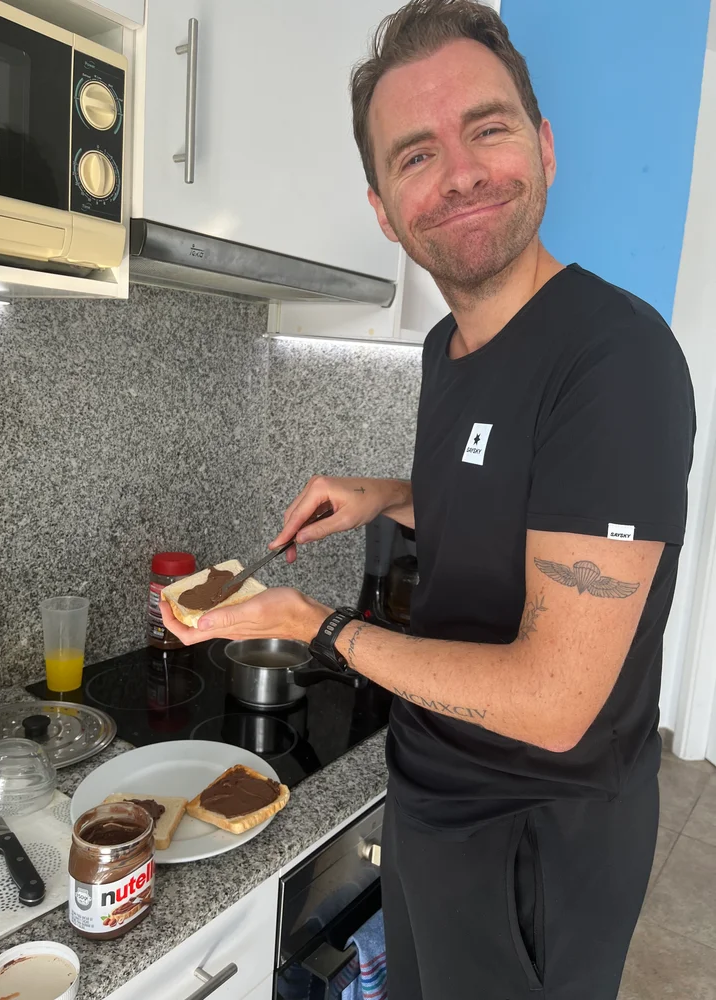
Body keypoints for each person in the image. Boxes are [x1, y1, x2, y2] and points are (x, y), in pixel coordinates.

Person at [160, 1, 695, 996]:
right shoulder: (448, 348)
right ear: (383, 208)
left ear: (543, 145)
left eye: (486, 128)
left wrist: (315, 625)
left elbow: (554, 703)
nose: (457, 174)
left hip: (533, 838)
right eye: (416, 154)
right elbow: (508, 498)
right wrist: (386, 496)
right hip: (430, 797)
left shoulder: (615, 360)